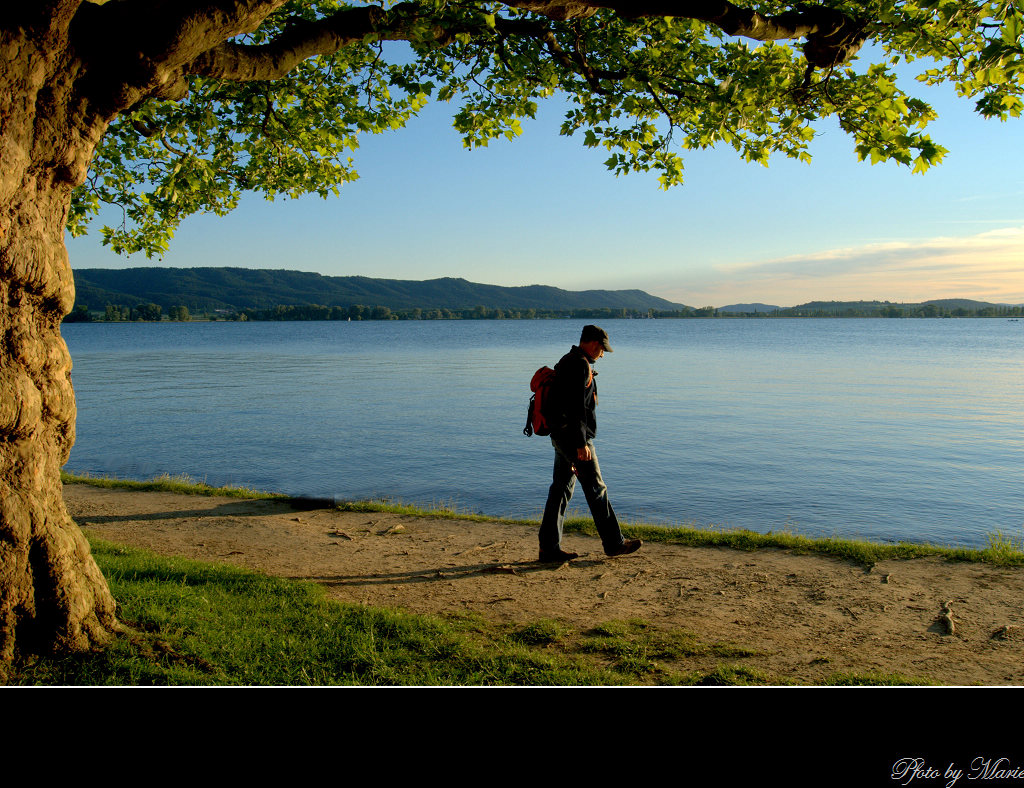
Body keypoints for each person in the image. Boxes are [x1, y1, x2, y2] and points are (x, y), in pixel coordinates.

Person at [538, 325, 642, 562]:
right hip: (574, 439)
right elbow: (576, 409)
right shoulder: (579, 365)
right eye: (602, 349)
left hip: (561, 435)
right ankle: (614, 543)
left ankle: (548, 548)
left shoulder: (568, 360)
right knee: (596, 488)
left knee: (561, 489)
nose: (603, 354)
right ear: (594, 343)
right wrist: (581, 443)